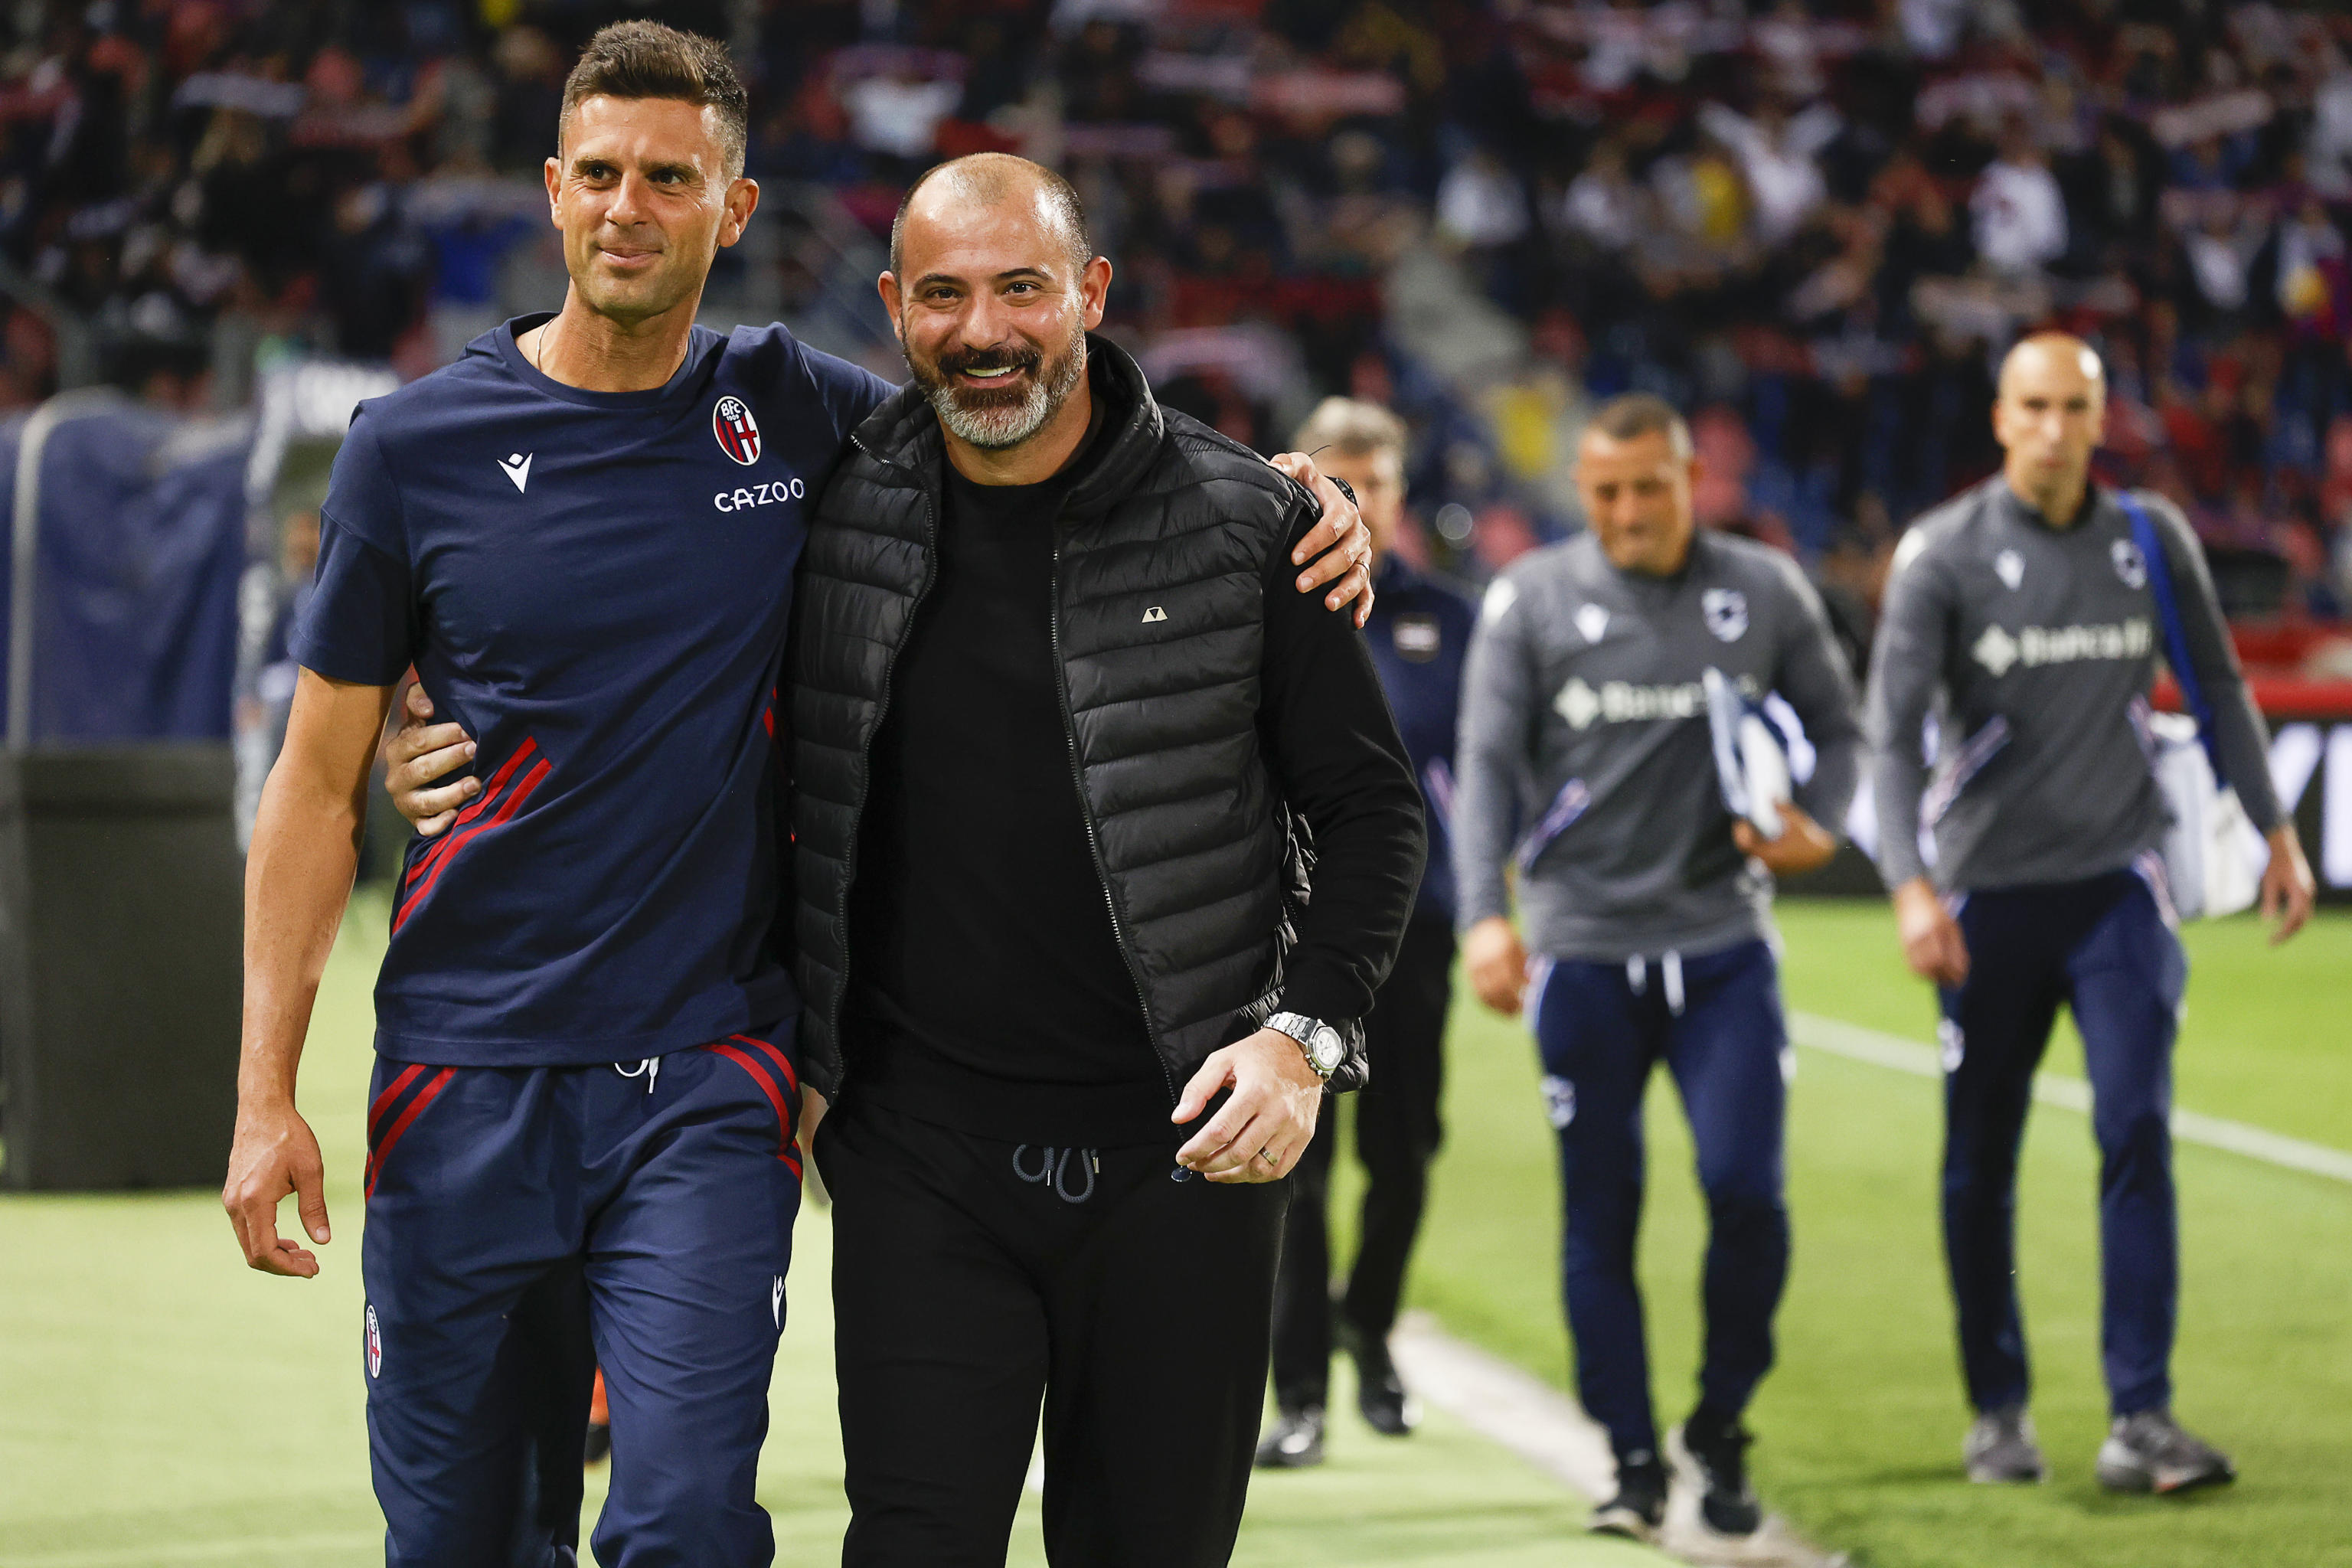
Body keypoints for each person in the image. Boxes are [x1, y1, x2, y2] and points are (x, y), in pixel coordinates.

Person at [226, 26, 1370, 1568]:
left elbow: (1033, 411)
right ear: (553, 189)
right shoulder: (411, 450)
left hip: (712, 1075)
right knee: (457, 1540)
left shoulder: (807, 414)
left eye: (671, 179)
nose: (630, 209)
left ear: (736, 207)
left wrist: (1295, 494)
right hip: (464, 1069)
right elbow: (310, 789)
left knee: (691, 1524)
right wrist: (264, 1094)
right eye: (602, 174)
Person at [788, 153, 1427, 1567]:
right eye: (944, 295)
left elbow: (1375, 812)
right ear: (893, 308)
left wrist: (1301, 1044)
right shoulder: (830, 508)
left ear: (1089, 293)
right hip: (918, 1164)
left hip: (1181, 1169)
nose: (984, 331)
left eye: (1021, 288)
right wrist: (420, 717)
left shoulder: (1250, 523)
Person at [1866, 332, 2315, 1494]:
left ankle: (2141, 1417)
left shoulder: (2149, 539)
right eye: (2035, 407)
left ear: (2101, 419)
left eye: (2075, 407)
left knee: (2136, 1130)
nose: (2055, 429)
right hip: (1987, 900)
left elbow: (2218, 684)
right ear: (2001, 419)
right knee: (1980, 1162)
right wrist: (1911, 885)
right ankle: (1997, 1410)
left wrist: (2273, 829)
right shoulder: (1943, 554)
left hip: (2120, 888)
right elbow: (1891, 735)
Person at [1455, 393, 1865, 1544]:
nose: (1629, 512)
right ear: (1582, 491)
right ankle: (1632, 1461)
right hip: (1583, 954)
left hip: (1722, 949)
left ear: (1692, 483)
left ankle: (1720, 1423)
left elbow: (1841, 729)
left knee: (1748, 1195)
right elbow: (1486, 766)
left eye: (1650, 488)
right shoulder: (1531, 599)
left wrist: (1821, 823)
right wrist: (1484, 915)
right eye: (1606, 492)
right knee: (1601, 1212)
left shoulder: (1765, 590)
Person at [1256, 397, 1475, 1470]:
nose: (1355, 499)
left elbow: (1493, 767)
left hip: (1418, 922)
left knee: (1406, 1149)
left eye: (1374, 482)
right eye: (1335, 477)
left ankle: (1371, 1331)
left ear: (1398, 492)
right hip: (1293, 924)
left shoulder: (1452, 620)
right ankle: (1299, 1394)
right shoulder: (1273, 597)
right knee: (1295, 1161)